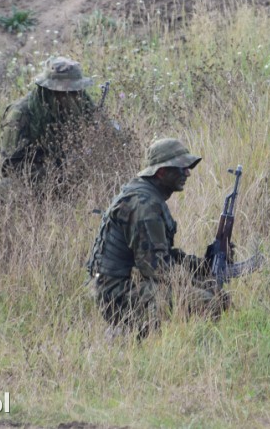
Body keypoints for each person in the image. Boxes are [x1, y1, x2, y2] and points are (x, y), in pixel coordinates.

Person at [85, 137, 228, 338]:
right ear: (161, 172)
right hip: (116, 295)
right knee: (208, 300)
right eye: (180, 168)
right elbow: (156, 268)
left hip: (122, 285)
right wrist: (197, 281)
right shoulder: (145, 205)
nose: (187, 173)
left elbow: (160, 255)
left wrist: (203, 266)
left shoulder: (145, 196)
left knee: (212, 291)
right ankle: (138, 337)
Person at [0, 56, 100, 192]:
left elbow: (103, 129)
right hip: (38, 178)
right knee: (6, 188)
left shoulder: (80, 101)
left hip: (73, 169)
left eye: (74, 90)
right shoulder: (20, 114)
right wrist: (56, 174)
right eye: (64, 91)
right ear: (49, 90)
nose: (71, 96)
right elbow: (10, 167)